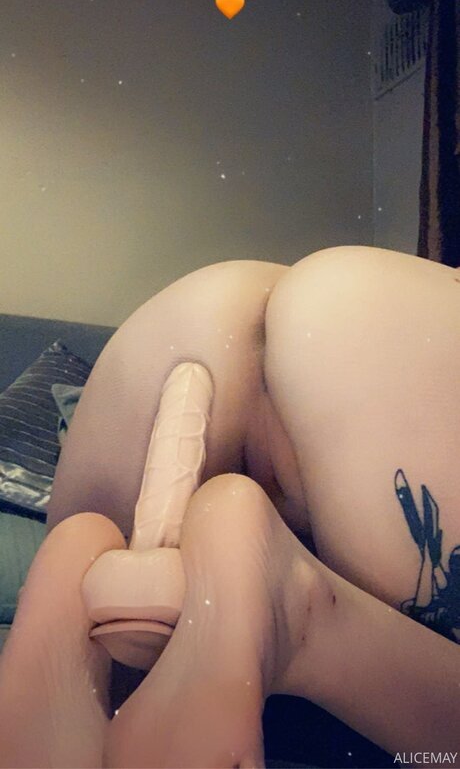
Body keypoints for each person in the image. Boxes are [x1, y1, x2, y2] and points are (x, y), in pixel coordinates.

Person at [0, 244, 459, 768]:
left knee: (124, 655)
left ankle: (85, 567)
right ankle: (305, 614)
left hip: (188, 317)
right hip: (401, 333)